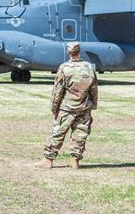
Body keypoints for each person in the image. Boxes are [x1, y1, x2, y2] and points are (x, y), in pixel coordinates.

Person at [36, 42, 98, 170]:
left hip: (67, 108)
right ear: (79, 51)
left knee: (57, 133)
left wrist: (54, 107)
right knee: (80, 134)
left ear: (69, 52)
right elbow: (94, 88)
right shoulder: (89, 67)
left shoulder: (64, 68)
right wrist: (94, 104)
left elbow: (57, 90)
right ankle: (75, 160)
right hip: (84, 107)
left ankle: (48, 160)